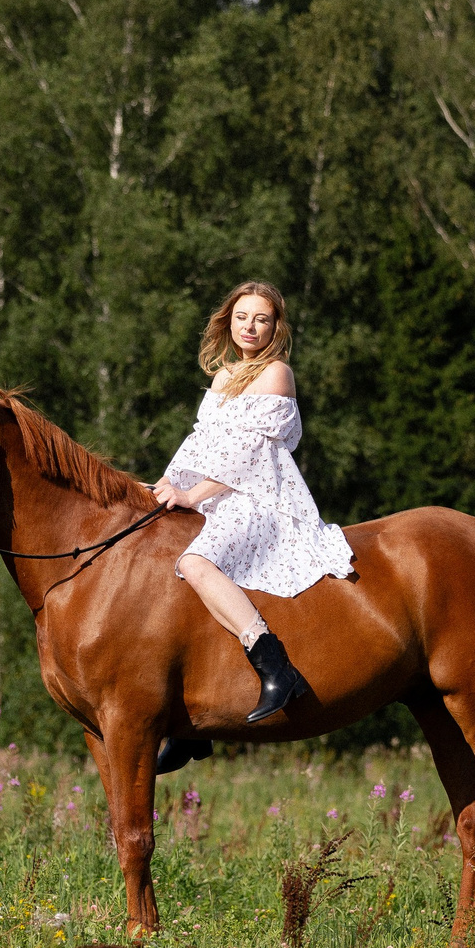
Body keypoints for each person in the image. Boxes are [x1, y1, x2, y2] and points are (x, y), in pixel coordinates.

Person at [150, 281, 355, 773]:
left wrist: (190, 496)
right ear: (229, 321)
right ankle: (189, 729)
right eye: (242, 317)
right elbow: (200, 449)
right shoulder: (223, 378)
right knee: (158, 565)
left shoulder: (276, 375)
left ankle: (276, 667)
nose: (250, 326)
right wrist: (159, 487)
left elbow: (247, 457)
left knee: (196, 562)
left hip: (260, 496)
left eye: (261, 318)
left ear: (275, 326)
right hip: (218, 495)